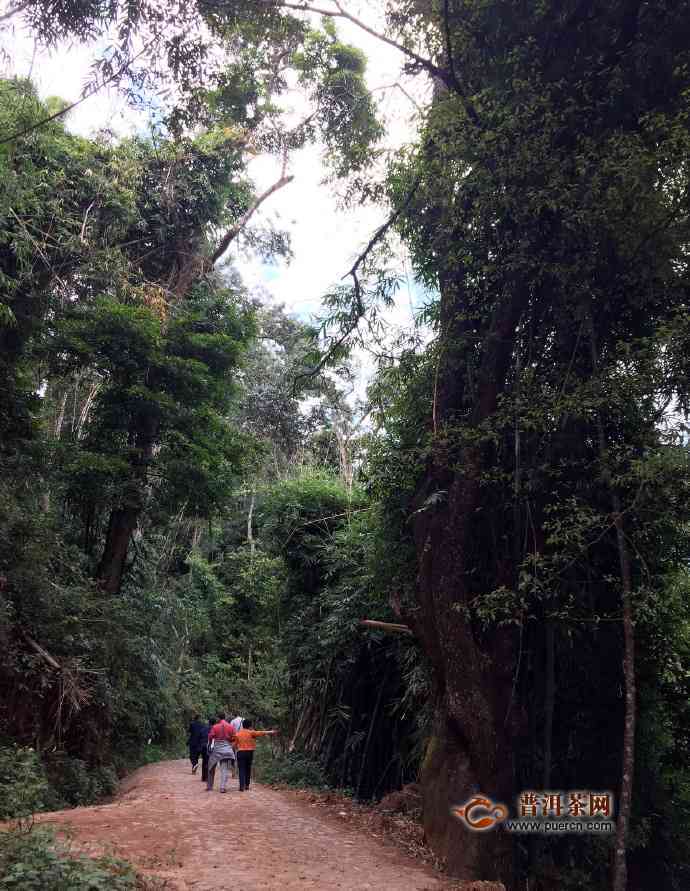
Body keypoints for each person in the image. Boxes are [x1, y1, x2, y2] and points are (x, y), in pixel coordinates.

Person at [231, 718, 279, 792]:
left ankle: (241, 786)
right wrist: (271, 731)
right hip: (250, 753)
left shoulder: (238, 734)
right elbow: (262, 732)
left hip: (240, 753)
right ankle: (247, 785)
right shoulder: (251, 733)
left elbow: (234, 745)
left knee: (241, 769)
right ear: (250, 726)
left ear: (243, 726)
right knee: (248, 768)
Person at [206, 711, 237, 793]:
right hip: (227, 748)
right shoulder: (230, 727)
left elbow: (211, 736)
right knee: (224, 769)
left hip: (217, 748)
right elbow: (234, 738)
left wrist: (209, 745)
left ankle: (209, 786)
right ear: (225, 717)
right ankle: (222, 787)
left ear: (218, 718)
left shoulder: (215, 727)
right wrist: (231, 745)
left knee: (211, 767)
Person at [200, 714, 215, 783]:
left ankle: (203, 777)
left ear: (209, 722)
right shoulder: (214, 729)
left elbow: (200, 736)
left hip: (203, 746)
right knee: (210, 762)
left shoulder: (203, 728)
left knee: (204, 761)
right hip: (210, 746)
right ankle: (208, 777)